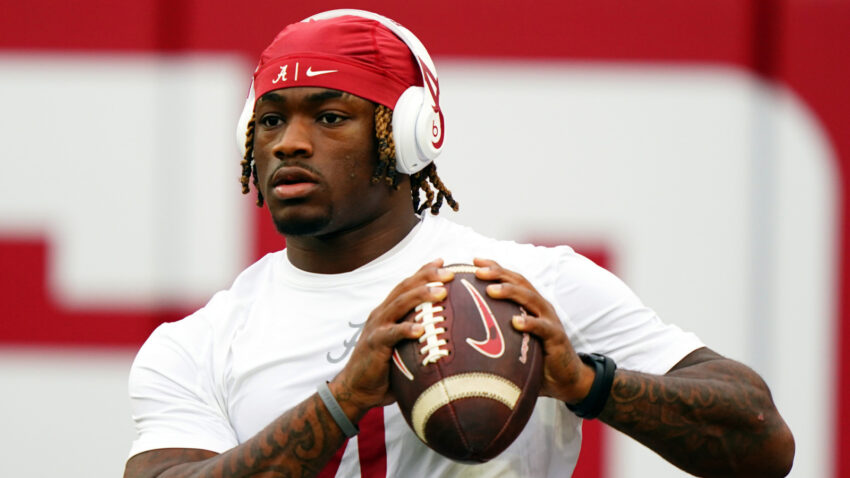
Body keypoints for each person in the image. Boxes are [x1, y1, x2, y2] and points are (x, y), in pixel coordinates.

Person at [123, 9, 795, 478]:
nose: (289, 143)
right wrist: (343, 399)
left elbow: (764, 442)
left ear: (408, 138)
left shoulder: (526, 288)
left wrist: (587, 382)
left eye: (329, 116)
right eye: (270, 121)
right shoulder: (199, 342)